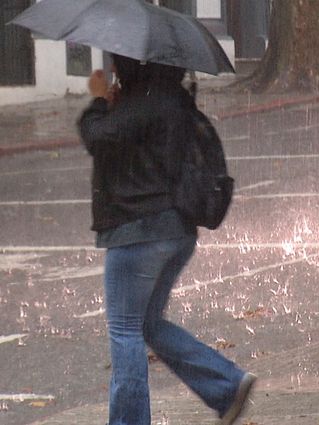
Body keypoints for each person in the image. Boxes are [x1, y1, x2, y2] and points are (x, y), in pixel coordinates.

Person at [77, 54, 256, 425]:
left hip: (138, 232)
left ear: (131, 62)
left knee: (125, 329)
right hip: (176, 230)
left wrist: (97, 100)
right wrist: (115, 103)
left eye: (115, 59)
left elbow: (98, 137)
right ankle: (226, 385)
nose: (110, 64)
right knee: (149, 325)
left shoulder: (143, 99)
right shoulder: (172, 97)